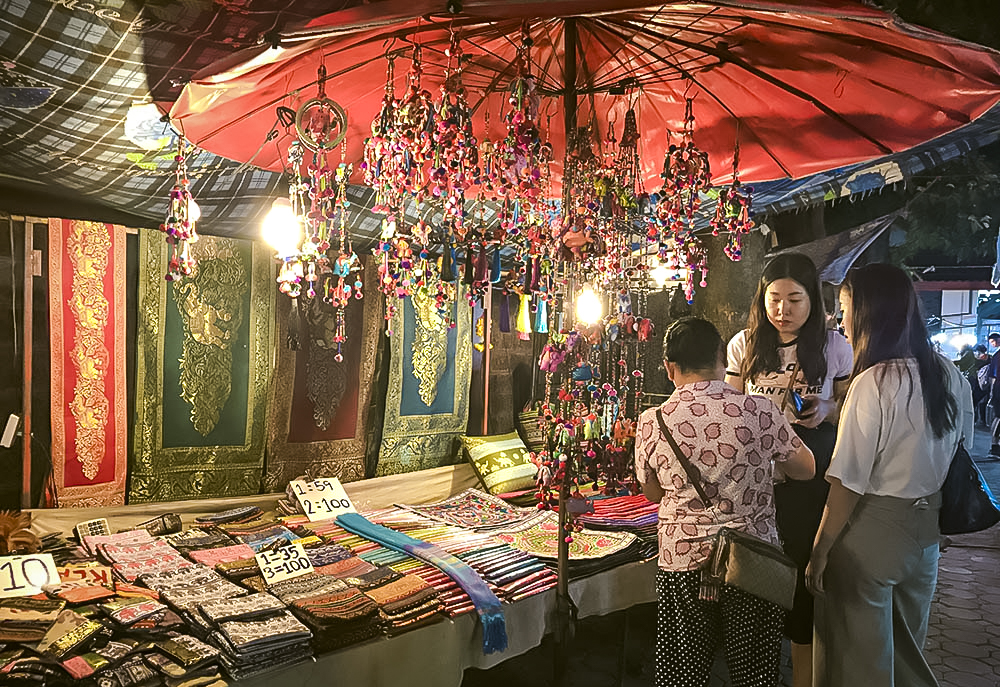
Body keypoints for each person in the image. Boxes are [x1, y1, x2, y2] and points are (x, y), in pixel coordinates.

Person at [806, 263, 972, 687]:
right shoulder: (950, 374)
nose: (840, 321)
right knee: (907, 655)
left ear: (868, 313)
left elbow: (847, 483)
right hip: (926, 536)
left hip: (872, 533)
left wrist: (820, 550)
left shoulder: (874, 382)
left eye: (844, 310)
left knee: (860, 661)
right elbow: (962, 450)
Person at [636, 317, 815, 687]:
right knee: (754, 674)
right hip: (753, 561)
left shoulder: (653, 420)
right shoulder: (761, 411)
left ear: (669, 367)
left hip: (683, 559)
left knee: (682, 674)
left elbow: (652, 493)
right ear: (722, 359)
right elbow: (806, 469)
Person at [725, 252, 853, 687]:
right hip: (756, 479)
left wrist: (827, 408)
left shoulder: (835, 347)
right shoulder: (743, 344)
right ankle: (756, 671)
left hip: (810, 476)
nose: (783, 310)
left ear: (813, 300)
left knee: (801, 575)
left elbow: (851, 410)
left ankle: (802, 676)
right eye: (774, 299)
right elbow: (730, 409)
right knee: (755, 574)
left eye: (795, 300)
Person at [987, 332, 1000, 455]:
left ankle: (995, 445)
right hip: (998, 390)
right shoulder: (997, 356)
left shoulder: (996, 356)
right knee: (998, 417)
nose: (992, 344)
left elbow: (993, 377)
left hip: (997, 389)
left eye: (992, 342)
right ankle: (995, 445)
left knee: (998, 417)